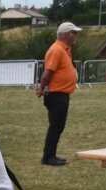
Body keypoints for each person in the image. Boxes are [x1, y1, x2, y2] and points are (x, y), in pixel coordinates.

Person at [36, 22, 82, 167]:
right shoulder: (56, 50)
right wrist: (42, 88)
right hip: (56, 95)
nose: (76, 35)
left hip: (61, 94)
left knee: (57, 126)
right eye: (74, 32)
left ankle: (51, 155)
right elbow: (48, 72)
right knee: (56, 126)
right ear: (66, 34)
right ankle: (48, 157)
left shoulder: (65, 49)